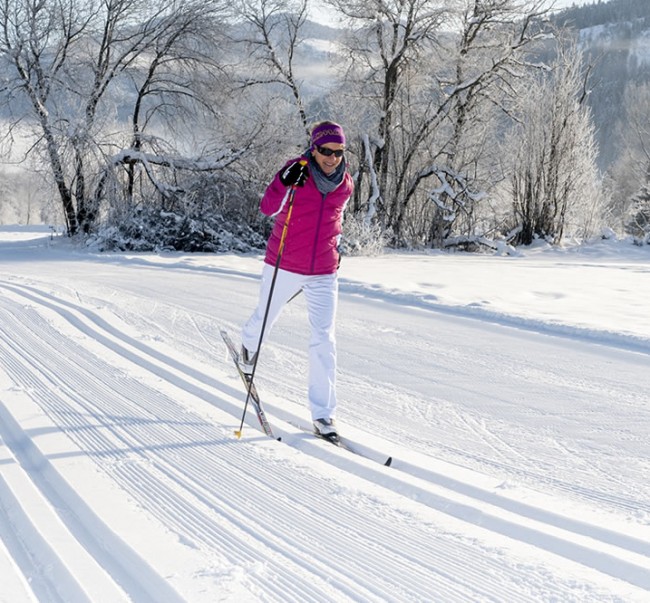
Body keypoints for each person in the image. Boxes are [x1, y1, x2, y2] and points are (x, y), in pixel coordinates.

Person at [239, 121, 354, 439]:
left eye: (338, 151)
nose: (332, 157)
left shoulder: (345, 183)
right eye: (326, 151)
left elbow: (336, 220)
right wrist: (281, 182)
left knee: (324, 340)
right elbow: (267, 208)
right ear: (314, 148)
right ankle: (248, 346)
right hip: (284, 264)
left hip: (324, 272)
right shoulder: (295, 172)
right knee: (265, 319)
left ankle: (324, 415)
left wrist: (336, 249)